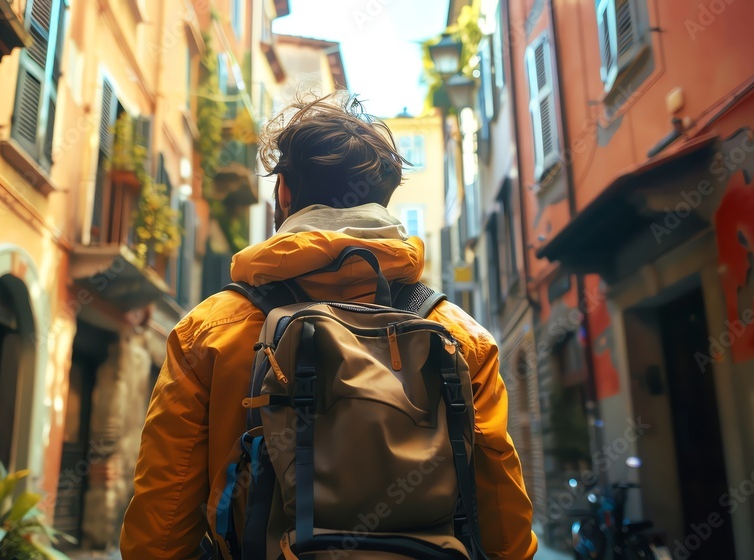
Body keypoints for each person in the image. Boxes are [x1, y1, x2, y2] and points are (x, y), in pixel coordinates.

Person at [120, 91, 538, 559]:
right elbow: (505, 528)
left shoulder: (209, 329)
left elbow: (161, 522)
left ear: (284, 193)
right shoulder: (460, 335)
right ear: (384, 202)